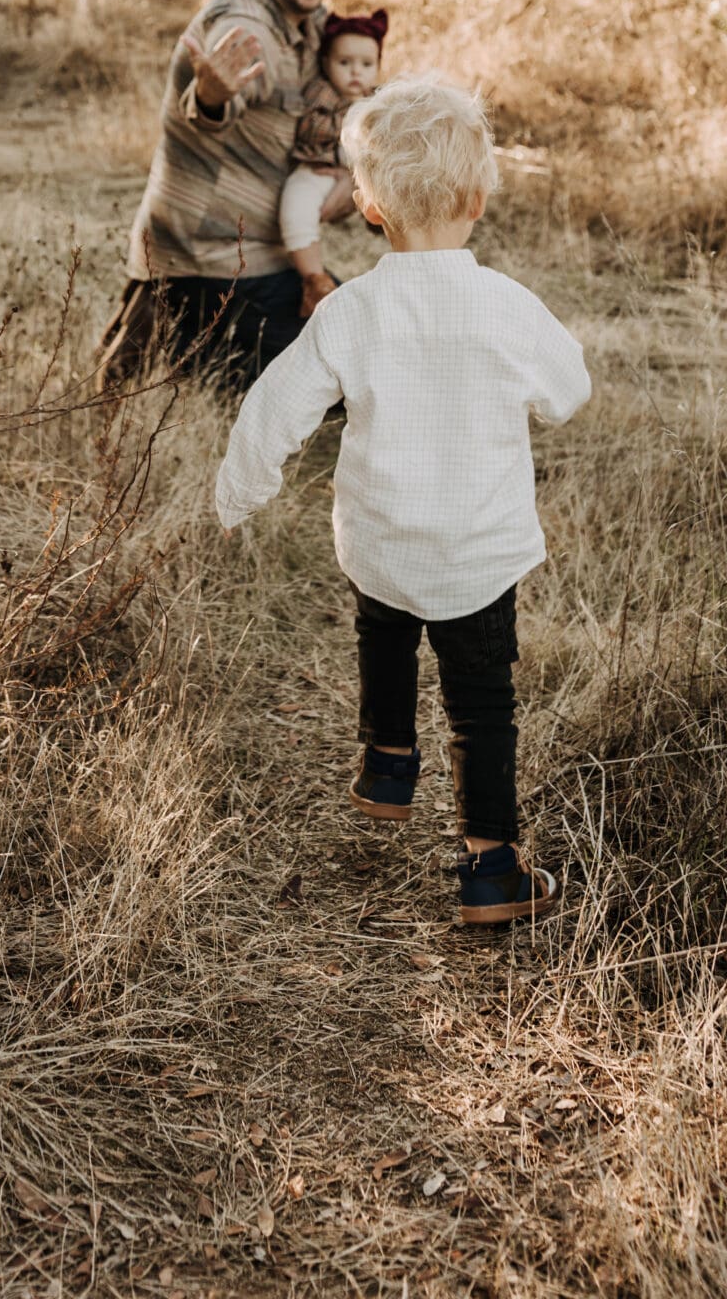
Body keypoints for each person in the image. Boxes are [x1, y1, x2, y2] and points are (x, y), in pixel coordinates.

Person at [213, 74, 591, 926]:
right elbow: (568, 391)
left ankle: (386, 762)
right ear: (479, 195)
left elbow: (276, 405)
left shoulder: (352, 310)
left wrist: (241, 490)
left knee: (382, 636)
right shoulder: (505, 306)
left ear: (370, 206)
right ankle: (490, 867)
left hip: (380, 539)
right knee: (481, 700)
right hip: (479, 550)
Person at [99, 0, 355, 387]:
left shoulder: (315, 22)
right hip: (212, 263)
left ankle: (182, 344)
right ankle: (184, 342)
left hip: (263, 255)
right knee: (340, 378)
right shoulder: (246, 26)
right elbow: (213, 104)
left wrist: (351, 174)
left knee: (363, 343)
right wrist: (212, 95)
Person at [279, 10, 387, 316]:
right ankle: (315, 280)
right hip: (317, 168)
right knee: (296, 205)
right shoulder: (321, 95)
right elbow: (317, 133)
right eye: (344, 63)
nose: (356, 73)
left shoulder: (377, 101)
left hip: (359, 174)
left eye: (366, 65)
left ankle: (389, 229)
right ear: (326, 64)